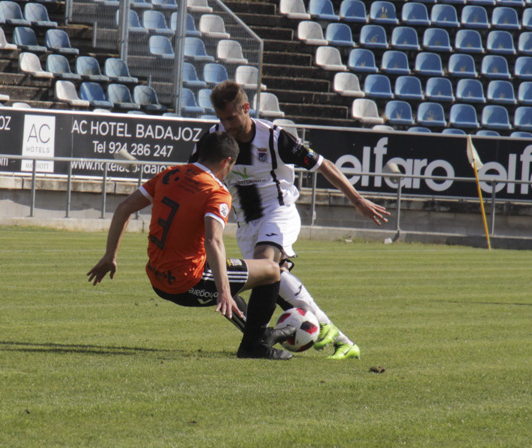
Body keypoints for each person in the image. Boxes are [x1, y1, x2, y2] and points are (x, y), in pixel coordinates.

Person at [191, 81, 389, 360]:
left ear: (246, 109)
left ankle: (258, 342)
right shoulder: (214, 138)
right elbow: (192, 177)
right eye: (221, 119)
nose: (227, 125)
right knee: (275, 281)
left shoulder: (273, 137)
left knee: (267, 264)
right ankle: (336, 334)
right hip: (246, 225)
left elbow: (323, 165)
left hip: (278, 212)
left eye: (231, 118)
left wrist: (357, 200)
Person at [88, 131, 295, 359]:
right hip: (187, 284)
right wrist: (223, 291)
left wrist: (110, 256)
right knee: (271, 271)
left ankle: (256, 334)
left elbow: (123, 208)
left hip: (157, 279)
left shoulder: (170, 173)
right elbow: (213, 240)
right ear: (227, 162)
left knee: (226, 273)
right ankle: (255, 345)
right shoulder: (216, 191)